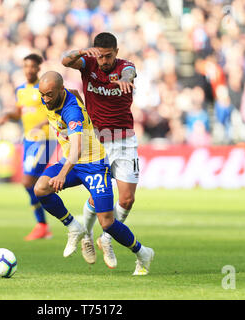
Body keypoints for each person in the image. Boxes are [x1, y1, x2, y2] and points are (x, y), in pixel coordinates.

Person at [33, 71, 154, 276]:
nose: (45, 100)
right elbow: (73, 94)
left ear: (60, 91)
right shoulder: (59, 96)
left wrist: (62, 174)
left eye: (49, 95)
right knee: (41, 188)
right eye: (42, 94)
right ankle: (74, 227)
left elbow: (77, 149)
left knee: (107, 222)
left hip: (94, 164)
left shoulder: (72, 113)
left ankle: (142, 252)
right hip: (72, 162)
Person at [61, 32, 140, 269]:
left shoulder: (126, 67)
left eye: (109, 56)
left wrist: (126, 79)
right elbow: (65, 60)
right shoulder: (89, 64)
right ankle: (85, 234)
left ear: (116, 52)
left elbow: (130, 72)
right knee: (99, 195)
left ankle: (106, 238)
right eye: (101, 56)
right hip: (97, 140)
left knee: (127, 198)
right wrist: (84, 52)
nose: (104, 61)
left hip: (125, 140)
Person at [0, 54, 57, 241]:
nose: (29, 69)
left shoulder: (45, 88)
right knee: (32, 184)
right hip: (29, 140)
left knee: (27, 181)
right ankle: (43, 224)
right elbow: (19, 112)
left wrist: (42, 124)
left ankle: (44, 223)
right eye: (26, 66)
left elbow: (55, 111)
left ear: (39, 68)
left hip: (45, 140)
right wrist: (8, 114)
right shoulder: (21, 90)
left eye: (32, 66)